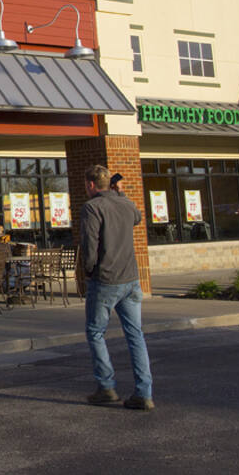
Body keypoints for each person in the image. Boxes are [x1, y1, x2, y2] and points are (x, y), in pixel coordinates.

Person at [78, 163, 153, 410]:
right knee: (135, 335)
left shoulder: (92, 207)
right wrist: (121, 193)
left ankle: (106, 387)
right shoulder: (126, 204)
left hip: (105, 280)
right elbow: (139, 218)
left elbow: (90, 245)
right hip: (131, 279)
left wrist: (87, 272)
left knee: (96, 332)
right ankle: (144, 393)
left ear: (90, 185)